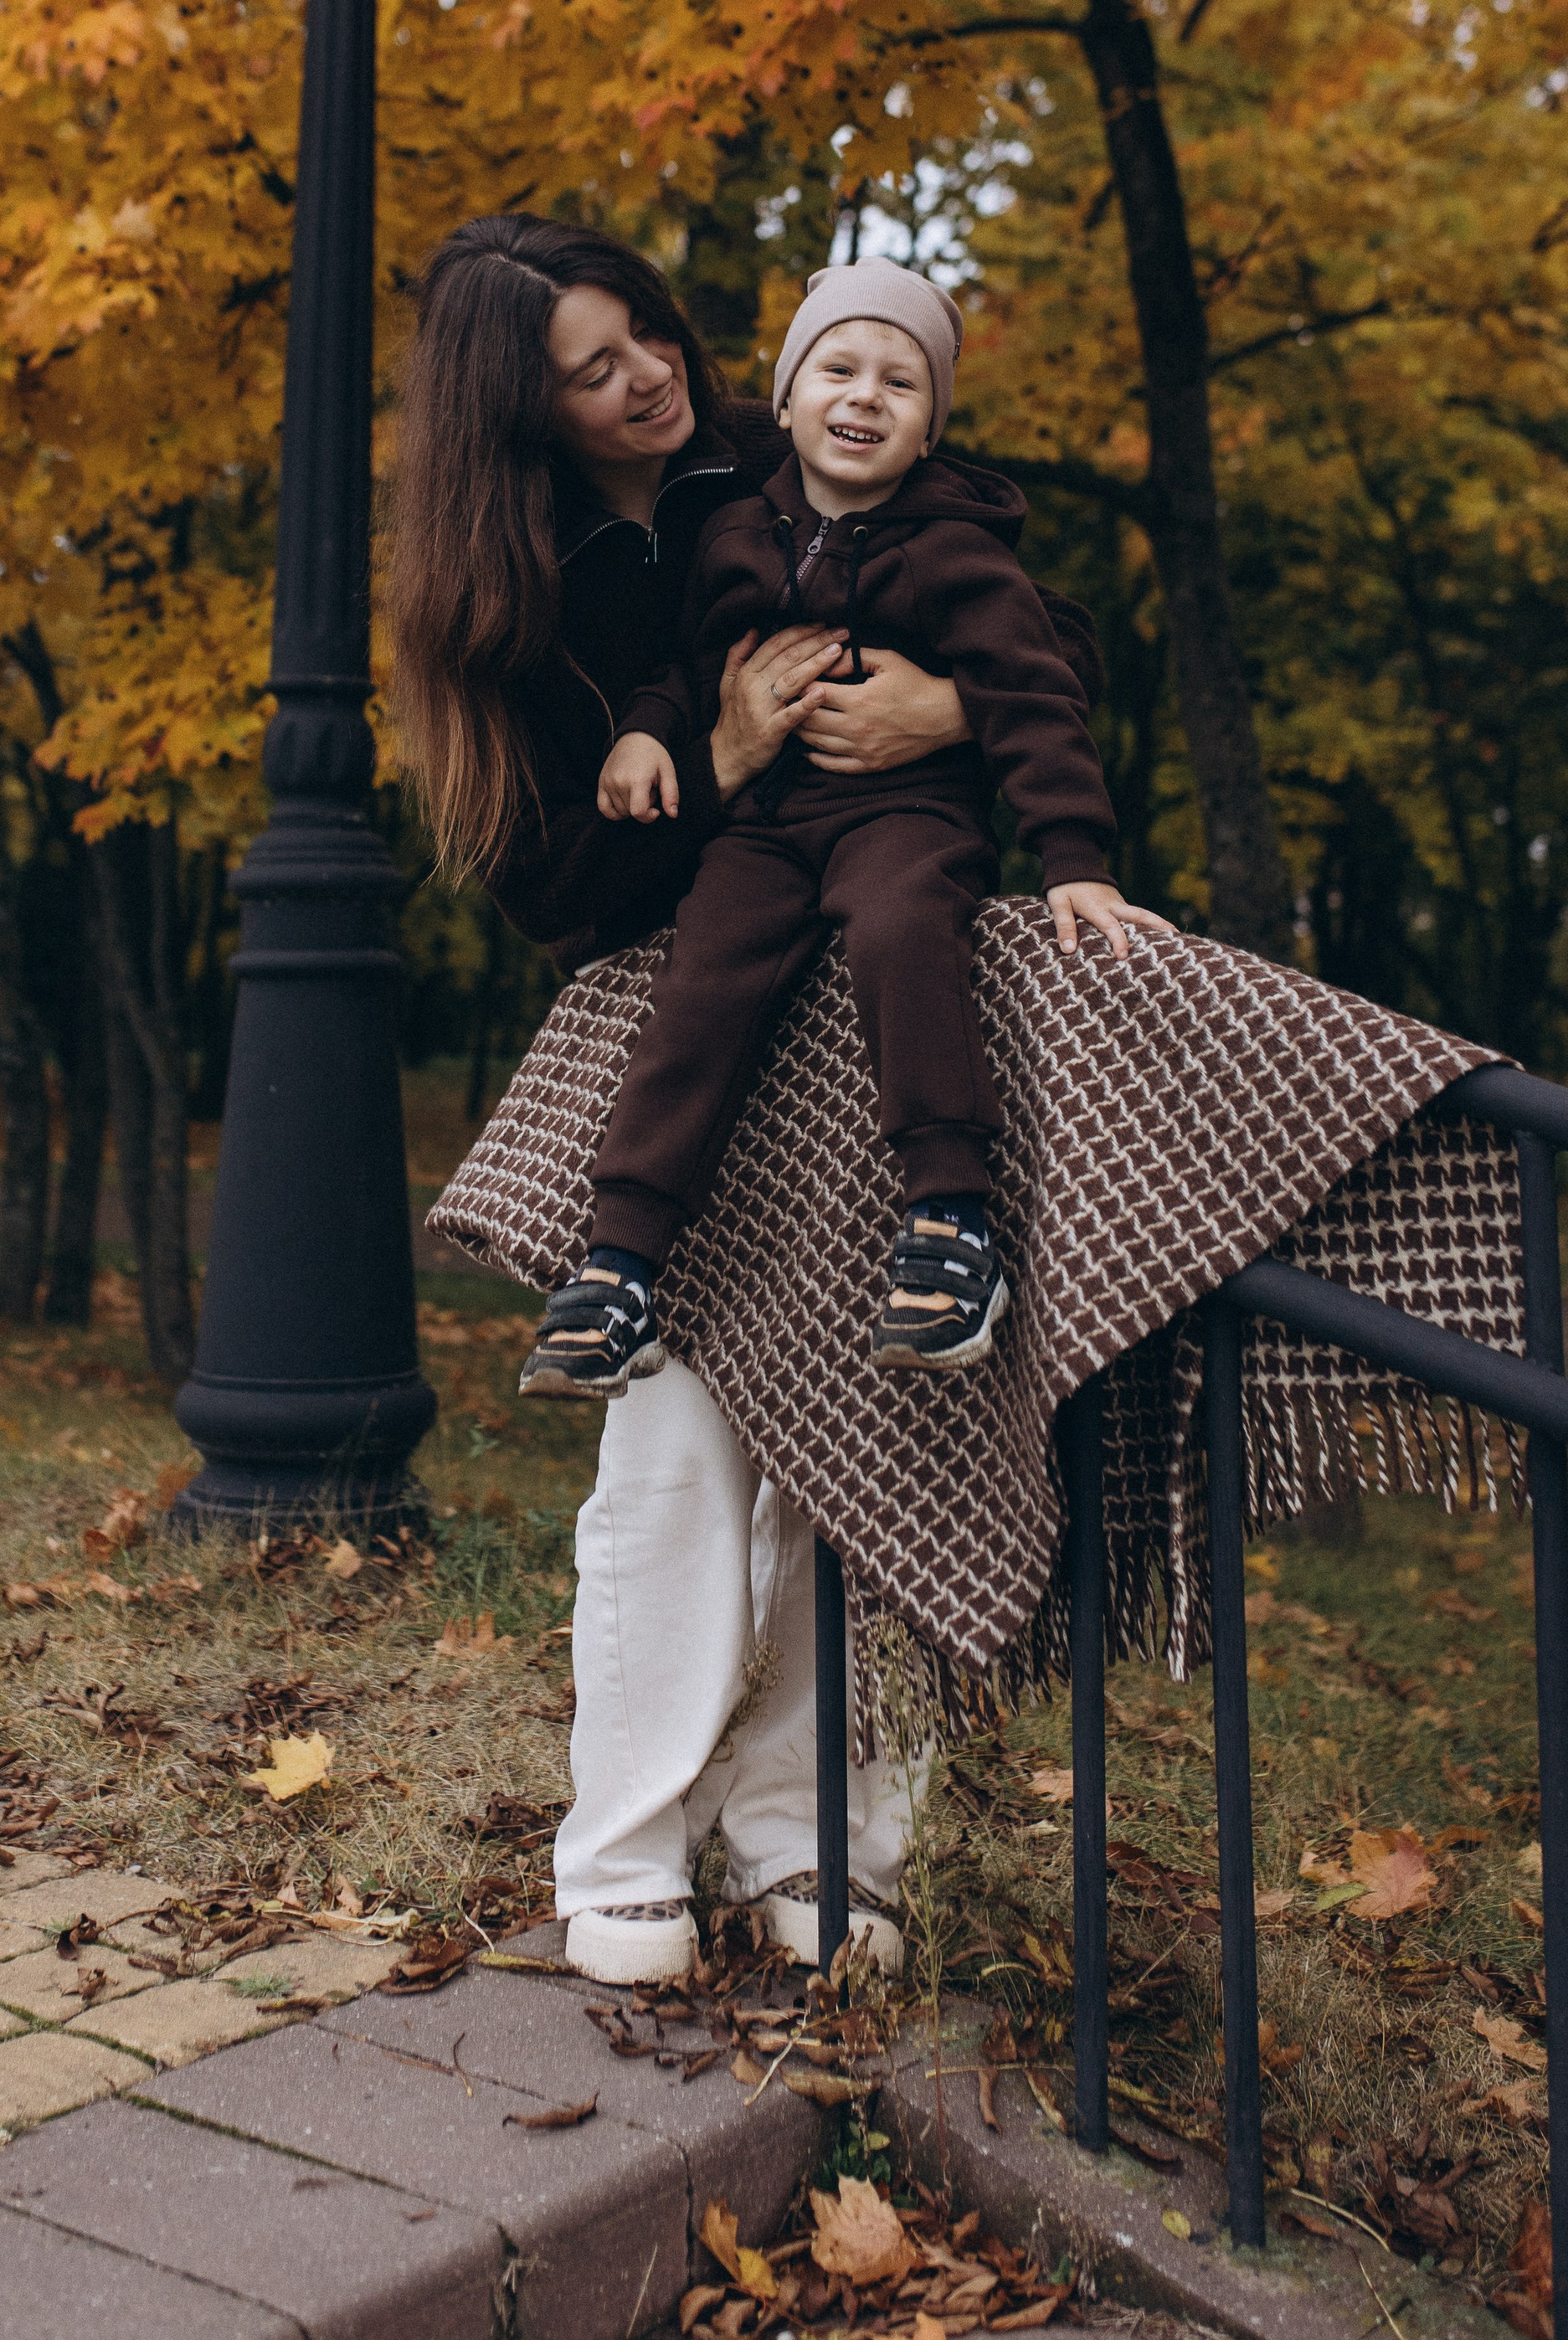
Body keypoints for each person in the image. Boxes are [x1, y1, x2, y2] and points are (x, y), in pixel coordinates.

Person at [388, 215, 1103, 1988]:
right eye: (590, 364)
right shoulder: (509, 602)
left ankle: (814, 1843)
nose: (643, 372)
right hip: (693, 1029)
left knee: (880, 1441)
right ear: (516, 413)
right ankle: (623, 1844)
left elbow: (1025, 625)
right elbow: (557, 891)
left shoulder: (768, 461)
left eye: (646, 331)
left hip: (880, 1008)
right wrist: (713, 758)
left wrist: (935, 709)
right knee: (683, 1462)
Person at [522, 260, 1160, 1403]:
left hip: (906, 815)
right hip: (764, 829)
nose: (865, 396)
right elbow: (691, 666)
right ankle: (619, 1264)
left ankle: (952, 1222)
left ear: (930, 433)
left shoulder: (961, 554)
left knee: (902, 928)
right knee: (701, 984)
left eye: (901, 384)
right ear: (787, 397)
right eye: (838, 368)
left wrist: (1074, 858)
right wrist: (648, 740)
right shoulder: (732, 530)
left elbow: (1037, 694)